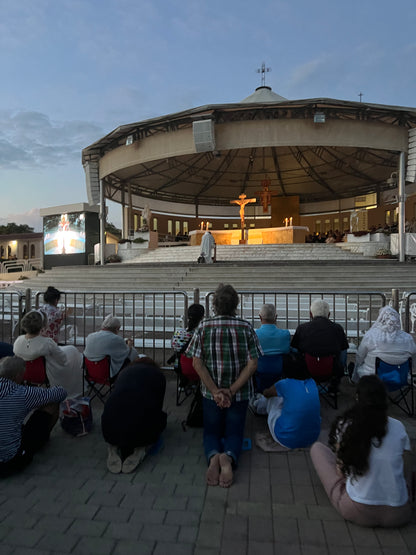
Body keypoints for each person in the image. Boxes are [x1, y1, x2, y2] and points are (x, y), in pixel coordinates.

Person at [186, 283, 262, 488]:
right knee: (235, 431)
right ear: (236, 304)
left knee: (211, 431)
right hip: (238, 393)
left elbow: (196, 362)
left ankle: (213, 457)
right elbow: (253, 363)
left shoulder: (203, 326)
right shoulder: (245, 327)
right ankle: (228, 457)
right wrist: (232, 390)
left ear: (214, 305)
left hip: (212, 393)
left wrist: (214, 390)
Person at [310, 375, 412, 527]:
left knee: (317, 450)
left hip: (357, 510)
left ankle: (356, 487)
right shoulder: (398, 427)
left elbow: (340, 472)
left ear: (358, 398)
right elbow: (406, 472)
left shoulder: (347, 425)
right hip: (399, 514)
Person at [0, 356, 67, 477]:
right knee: (52, 403)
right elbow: (61, 393)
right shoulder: (23, 393)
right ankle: (42, 439)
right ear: (18, 376)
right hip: (9, 460)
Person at [101, 357, 167, 474]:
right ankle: (140, 449)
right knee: (161, 419)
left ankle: (113, 447)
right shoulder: (158, 375)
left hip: (109, 430)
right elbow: (157, 407)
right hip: (141, 432)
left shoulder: (123, 373)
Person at [253, 359, 321, 449]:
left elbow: (267, 394)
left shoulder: (285, 383)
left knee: (274, 398)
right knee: (289, 398)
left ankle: (257, 406)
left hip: (285, 438)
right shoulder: (313, 383)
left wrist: (265, 391)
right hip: (312, 438)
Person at [13, 310, 83, 397]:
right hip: (44, 375)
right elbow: (62, 359)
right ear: (42, 326)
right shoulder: (47, 342)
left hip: (24, 374)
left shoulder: (18, 340)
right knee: (73, 352)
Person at [291, 299, 349, 388]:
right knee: (342, 352)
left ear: (310, 314)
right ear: (329, 315)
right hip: (332, 371)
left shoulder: (302, 328)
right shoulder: (337, 328)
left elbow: (295, 348)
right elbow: (343, 350)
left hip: (306, 370)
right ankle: (334, 385)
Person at [351, 306, 416, 383]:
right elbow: (413, 359)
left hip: (374, 377)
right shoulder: (407, 338)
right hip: (401, 378)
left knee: (360, 365)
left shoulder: (371, 335)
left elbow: (360, 356)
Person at [83, 315, 139, 379]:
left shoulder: (90, 336)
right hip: (107, 374)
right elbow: (126, 353)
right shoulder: (116, 339)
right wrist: (129, 345)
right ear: (116, 328)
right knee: (133, 352)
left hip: (90, 373)